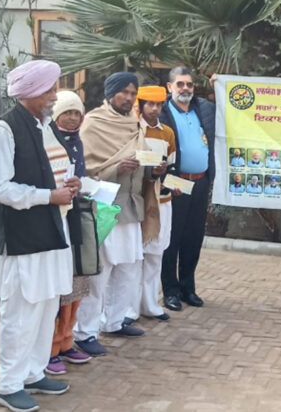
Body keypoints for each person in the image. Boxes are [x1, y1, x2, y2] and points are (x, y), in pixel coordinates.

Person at [0, 60, 77, 411]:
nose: (54, 95)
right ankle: (9, 385)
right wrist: (48, 196)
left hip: (53, 230)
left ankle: (34, 373)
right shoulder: (4, 129)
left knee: (46, 304)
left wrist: (70, 183)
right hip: (22, 236)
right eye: (49, 89)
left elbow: (55, 169)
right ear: (30, 92)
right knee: (20, 311)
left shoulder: (45, 126)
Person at [75, 72, 160, 354]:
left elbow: (143, 160)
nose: (129, 98)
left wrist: (154, 170)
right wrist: (116, 169)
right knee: (99, 272)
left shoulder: (133, 123)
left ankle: (114, 320)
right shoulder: (93, 123)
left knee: (128, 268)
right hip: (104, 207)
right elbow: (84, 170)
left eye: (133, 93)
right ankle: (85, 332)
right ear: (111, 93)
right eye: (124, 92)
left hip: (132, 206)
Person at [45, 90, 94, 376]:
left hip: (77, 217)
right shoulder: (49, 140)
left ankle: (66, 340)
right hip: (56, 218)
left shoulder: (77, 142)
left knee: (77, 282)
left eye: (77, 113)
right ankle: (49, 348)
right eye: (67, 112)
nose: (73, 118)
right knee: (59, 287)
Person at [159, 66, 216, 311]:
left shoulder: (204, 108)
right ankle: (170, 291)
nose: (185, 89)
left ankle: (187, 288)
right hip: (176, 181)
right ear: (169, 87)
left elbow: (232, 110)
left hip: (200, 182)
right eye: (180, 84)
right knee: (172, 238)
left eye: (189, 84)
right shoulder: (162, 111)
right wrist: (167, 181)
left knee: (193, 237)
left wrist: (219, 88)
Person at [133, 86, 178, 326]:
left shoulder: (167, 133)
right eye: (149, 104)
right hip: (138, 200)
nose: (154, 109)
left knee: (155, 254)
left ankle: (150, 304)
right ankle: (129, 308)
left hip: (162, 201)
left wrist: (173, 185)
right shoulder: (132, 129)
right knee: (134, 257)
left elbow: (172, 167)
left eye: (158, 104)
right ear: (140, 105)